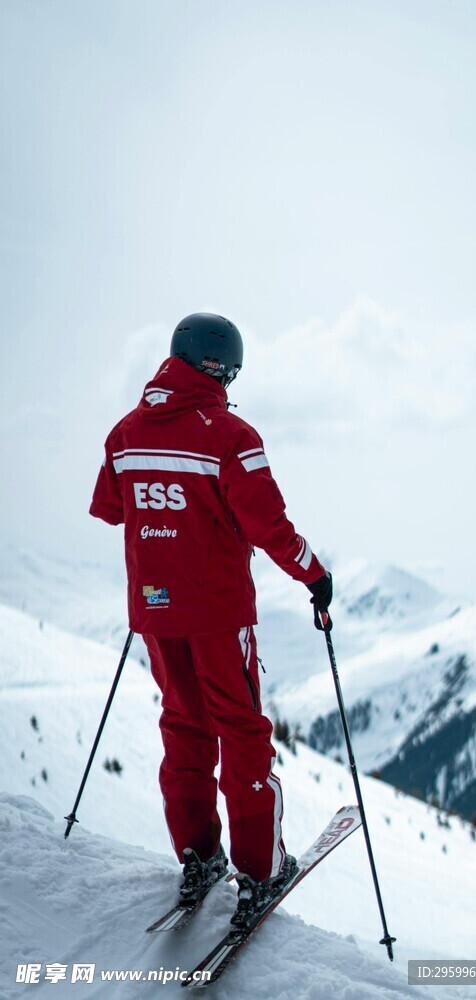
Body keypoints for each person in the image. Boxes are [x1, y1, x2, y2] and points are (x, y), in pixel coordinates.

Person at [89, 312, 333, 926]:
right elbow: (268, 526)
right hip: (220, 613)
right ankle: (260, 869)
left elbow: (111, 509)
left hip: (156, 609)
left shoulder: (124, 433)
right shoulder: (231, 436)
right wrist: (314, 575)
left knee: (184, 727)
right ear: (220, 366)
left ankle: (198, 854)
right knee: (242, 734)